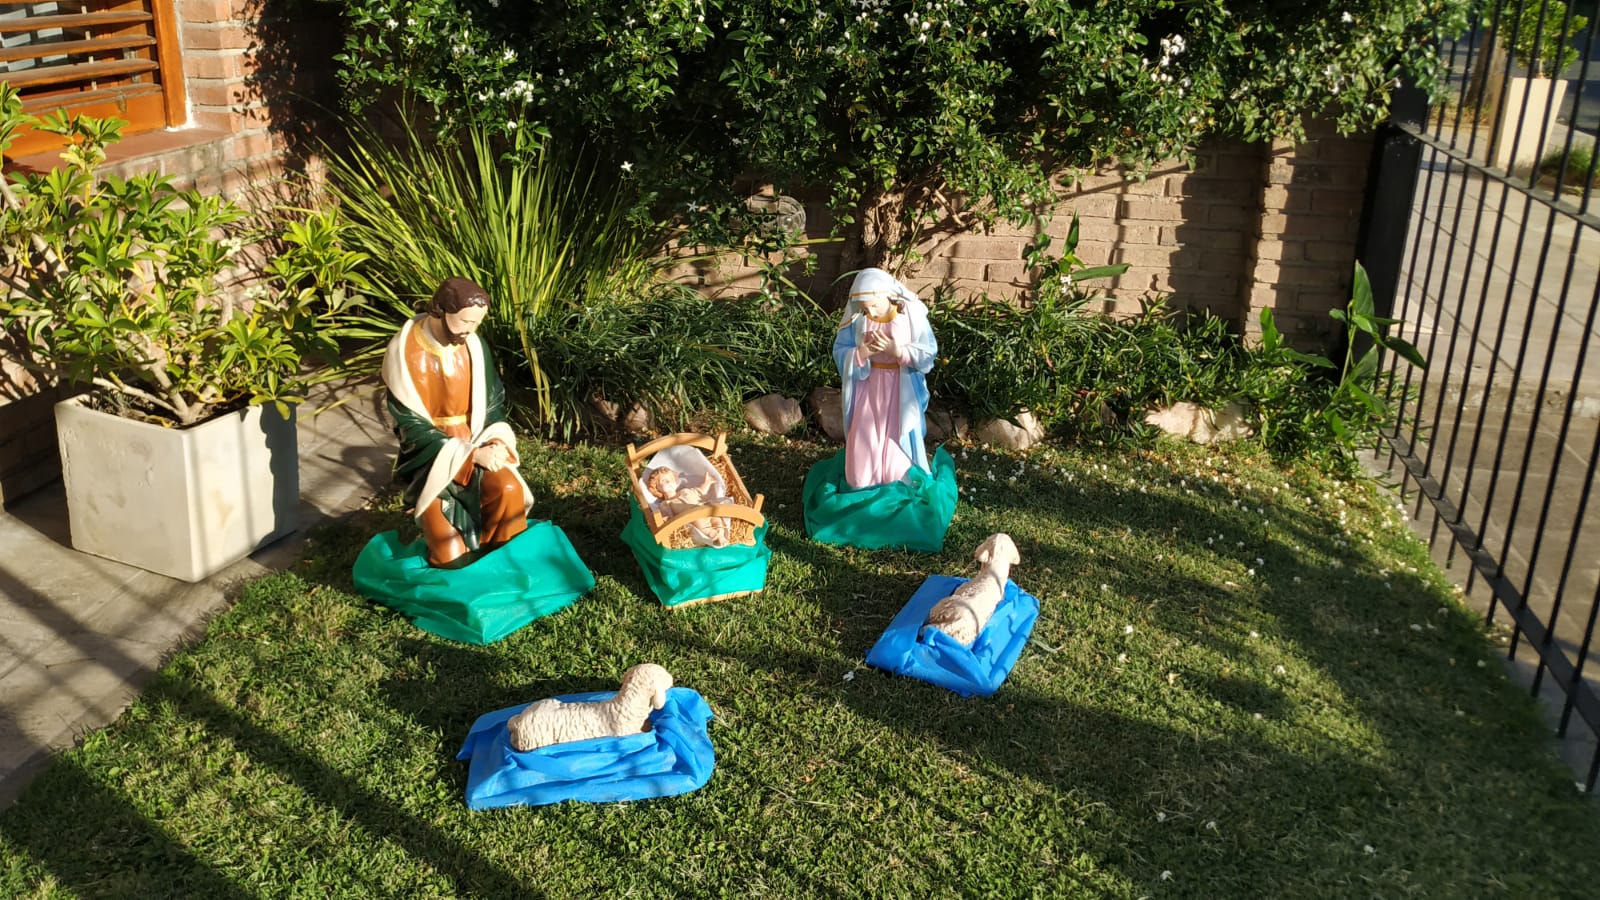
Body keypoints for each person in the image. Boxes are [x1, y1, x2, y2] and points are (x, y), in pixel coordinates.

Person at [381, 277, 531, 567]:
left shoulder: (474, 346)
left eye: (477, 323)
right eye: (465, 321)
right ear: (441, 309)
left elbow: (492, 403)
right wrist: (469, 455)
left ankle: (503, 568)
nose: (471, 330)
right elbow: (410, 426)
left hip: (476, 440)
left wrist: (495, 440)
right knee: (450, 557)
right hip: (434, 459)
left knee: (509, 490)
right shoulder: (405, 352)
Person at [832, 268, 937, 490]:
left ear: (887, 295)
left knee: (896, 445)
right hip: (868, 388)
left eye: (874, 305)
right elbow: (840, 350)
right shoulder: (859, 320)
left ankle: (896, 481)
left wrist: (897, 351)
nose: (870, 311)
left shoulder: (911, 315)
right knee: (863, 444)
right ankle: (863, 484)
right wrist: (861, 353)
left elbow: (928, 353)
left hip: (900, 389)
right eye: (864, 308)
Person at [644, 465, 734, 548]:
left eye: (671, 479)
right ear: (657, 487)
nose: (669, 481)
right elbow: (668, 518)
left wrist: (707, 482)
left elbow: (699, 491)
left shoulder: (685, 491)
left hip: (706, 509)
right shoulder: (666, 503)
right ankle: (715, 537)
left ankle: (721, 535)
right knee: (701, 523)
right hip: (693, 517)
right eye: (663, 480)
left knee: (717, 519)